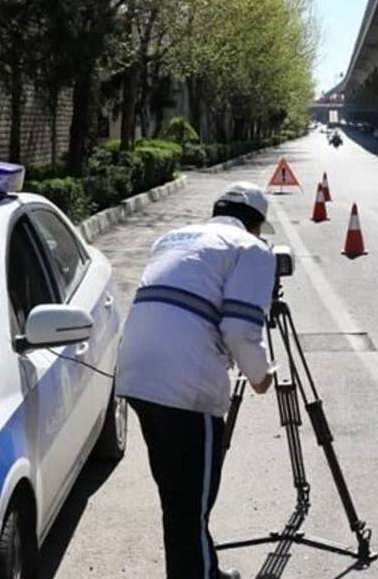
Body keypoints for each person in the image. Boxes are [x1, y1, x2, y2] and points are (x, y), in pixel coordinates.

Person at [117, 181, 278, 579]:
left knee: (177, 497)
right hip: (186, 386)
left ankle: (203, 569)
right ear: (257, 224)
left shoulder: (172, 238)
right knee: (192, 501)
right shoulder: (252, 249)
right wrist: (261, 376)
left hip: (137, 375)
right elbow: (240, 329)